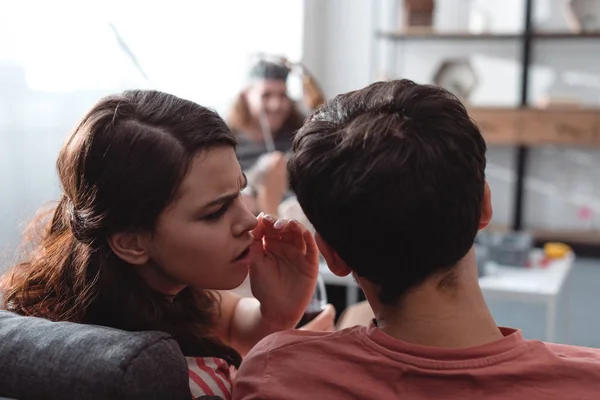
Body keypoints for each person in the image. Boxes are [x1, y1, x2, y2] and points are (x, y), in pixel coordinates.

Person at [233, 79, 600, 399]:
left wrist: (277, 325)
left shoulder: (277, 374)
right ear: (484, 207)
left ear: (332, 256)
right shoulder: (588, 381)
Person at [0, 90, 334, 399]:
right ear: (131, 243)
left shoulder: (137, 284)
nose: (248, 219)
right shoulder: (184, 378)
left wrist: (277, 314)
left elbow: (232, 322)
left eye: (240, 191)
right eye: (216, 211)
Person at [227, 57, 324, 217]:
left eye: (282, 95)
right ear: (246, 95)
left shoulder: (299, 133)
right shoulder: (228, 141)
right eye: (266, 95)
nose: (276, 105)